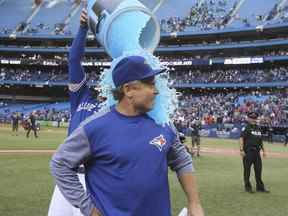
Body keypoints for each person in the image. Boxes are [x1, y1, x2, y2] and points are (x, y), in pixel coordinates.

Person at [50, 55, 204, 216]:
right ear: (128, 89)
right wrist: (88, 208)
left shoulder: (163, 124)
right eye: (150, 84)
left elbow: (181, 160)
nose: (156, 90)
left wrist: (194, 202)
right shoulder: (93, 127)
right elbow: (60, 164)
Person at [48, 8, 101, 216]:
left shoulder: (118, 107)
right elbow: (73, 60)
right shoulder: (82, 97)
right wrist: (82, 29)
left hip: (94, 181)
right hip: (68, 177)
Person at [240, 112, 269, 193]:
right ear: (248, 118)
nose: (253, 119)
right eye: (252, 118)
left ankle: (260, 187)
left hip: (257, 152)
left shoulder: (258, 128)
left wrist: (264, 151)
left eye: (255, 118)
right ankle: (248, 187)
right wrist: (241, 150)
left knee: (258, 170)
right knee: (247, 170)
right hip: (248, 152)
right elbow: (241, 138)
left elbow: (260, 141)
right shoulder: (246, 127)